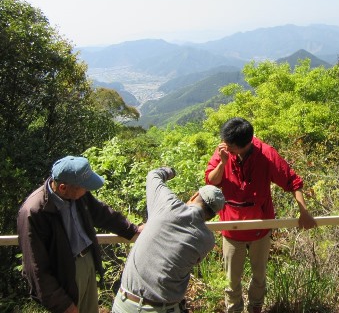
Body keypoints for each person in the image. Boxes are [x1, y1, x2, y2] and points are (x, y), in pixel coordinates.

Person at [205, 117, 317, 313]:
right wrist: (222, 163)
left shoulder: (266, 154)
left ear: (245, 143)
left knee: (259, 275)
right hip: (231, 227)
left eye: (231, 146)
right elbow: (211, 181)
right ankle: (234, 309)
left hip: (260, 227)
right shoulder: (224, 150)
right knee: (232, 278)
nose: (226, 147)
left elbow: (293, 182)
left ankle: (256, 307)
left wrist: (304, 212)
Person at [17, 155, 143, 313]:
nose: (87, 191)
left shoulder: (77, 194)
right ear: (63, 187)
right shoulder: (34, 212)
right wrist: (62, 304)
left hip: (86, 264)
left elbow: (102, 213)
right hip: (64, 274)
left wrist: (132, 230)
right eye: (84, 187)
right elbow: (36, 267)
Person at [112, 166, 225, 313]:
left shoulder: (168, 205)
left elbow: (153, 175)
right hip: (163, 309)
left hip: (125, 304)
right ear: (212, 216)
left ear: (194, 196)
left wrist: (171, 171)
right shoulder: (207, 240)